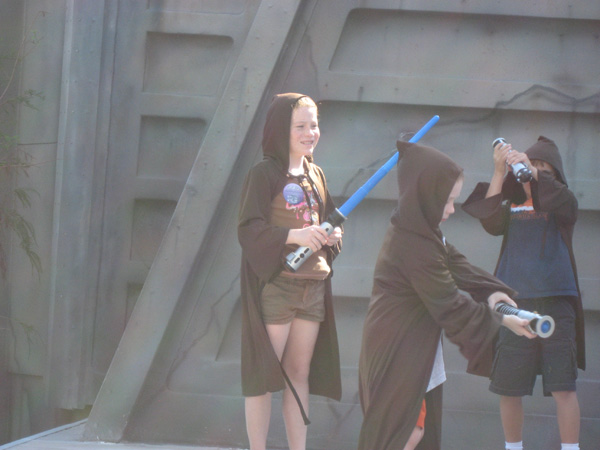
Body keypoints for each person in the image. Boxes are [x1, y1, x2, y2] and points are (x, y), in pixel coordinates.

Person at [357, 140, 536, 450]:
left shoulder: (423, 232)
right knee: (406, 433)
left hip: (415, 349)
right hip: (399, 353)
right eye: (447, 201)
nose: (452, 210)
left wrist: (492, 292)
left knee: (418, 434)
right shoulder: (413, 243)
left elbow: (455, 264)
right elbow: (448, 303)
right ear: (426, 196)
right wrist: (502, 321)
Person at [462, 136, 585, 450]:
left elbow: (569, 205)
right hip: (515, 304)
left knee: (563, 387)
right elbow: (489, 222)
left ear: (554, 176)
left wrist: (535, 173)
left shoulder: (561, 203)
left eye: (544, 168)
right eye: (529, 165)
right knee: (509, 388)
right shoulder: (512, 203)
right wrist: (499, 171)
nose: (531, 172)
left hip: (556, 301)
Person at [238, 93, 343, 450]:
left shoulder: (316, 174)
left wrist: (332, 236)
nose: (310, 133)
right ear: (281, 129)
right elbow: (249, 228)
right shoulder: (264, 173)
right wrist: (294, 235)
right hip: (279, 286)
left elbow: (327, 221)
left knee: (299, 374)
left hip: (313, 289)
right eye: (300, 126)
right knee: (265, 376)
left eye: (314, 125)